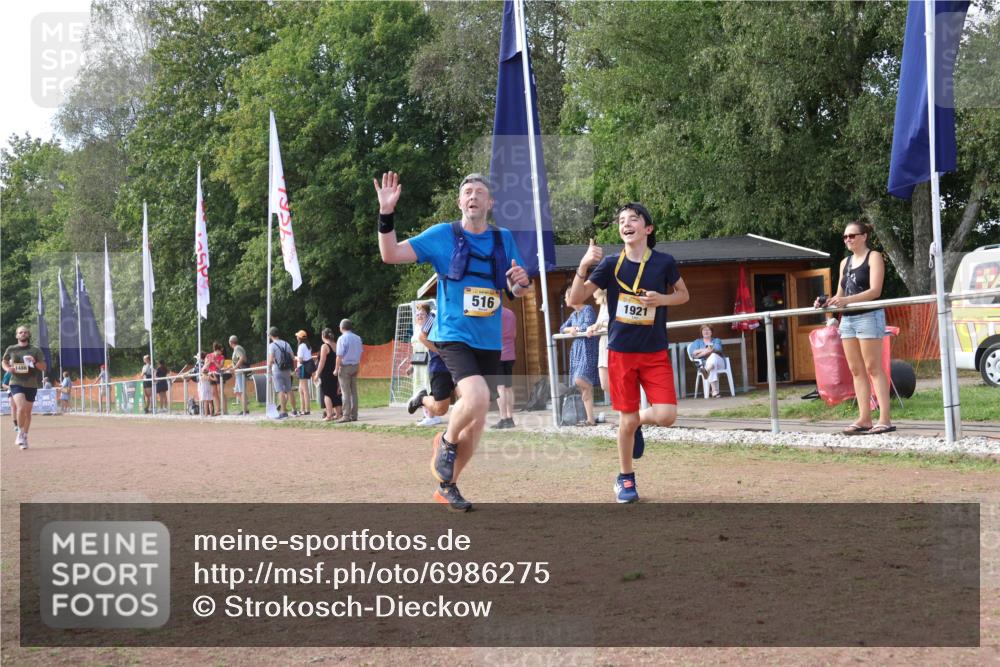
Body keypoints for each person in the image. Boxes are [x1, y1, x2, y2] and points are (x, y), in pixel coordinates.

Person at [376, 171, 531, 511]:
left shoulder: (503, 239)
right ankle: (446, 441)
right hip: (452, 336)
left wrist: (521, 283)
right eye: (467, 192)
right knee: (475, 398)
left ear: (490, 203)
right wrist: (386, 213)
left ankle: (447, 485)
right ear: (460, 202)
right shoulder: (443, 235)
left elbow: (513, 290)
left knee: (475, 424)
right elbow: (390, 254)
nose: (473, 196)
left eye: (480, 192)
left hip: (488, 341)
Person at [569, 203, 690, 503]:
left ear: (647, 229)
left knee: (667, 415)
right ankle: (625, 478)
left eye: (633, 219)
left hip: (655, 351)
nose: (626, 224)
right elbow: (575, 299)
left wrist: (661, 299)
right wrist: (583, 265)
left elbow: (684, 295)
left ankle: (637, 423)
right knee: (625, 421)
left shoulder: (664, 262)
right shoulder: (610, 264)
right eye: (621, 220)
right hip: (621, 353)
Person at [815, 220, 894, 436]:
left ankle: (884, 418)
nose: (848, 239)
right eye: (845, 237)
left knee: (873, 367)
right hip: (848, 319)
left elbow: (875, 291)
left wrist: (847, 301)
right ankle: (864, 418)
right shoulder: (845, 262)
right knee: (856, 370)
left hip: (869, 316)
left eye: (852, 235)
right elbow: (840, 295)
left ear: (864, 236)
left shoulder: (874, 257)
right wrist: (827, 302)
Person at [407, 304, 456, 427]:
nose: (419, 316)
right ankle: (428, 414)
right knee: (427, 391)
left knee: (431, 391)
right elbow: (417, 348)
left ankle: (431, 415)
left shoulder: (432, 322)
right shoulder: (420, 328)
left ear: (426, 315)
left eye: (422, 314)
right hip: (426, 364)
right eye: (417, 314)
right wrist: (412, 365)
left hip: (434, 362)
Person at [2, 325, 47, 450]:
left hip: (31, 384)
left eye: (25, 332)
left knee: (27, 412)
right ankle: (20, 433)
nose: (23, 334)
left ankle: (25, 436)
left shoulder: (35, 350)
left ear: (28, 335)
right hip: (16, 382)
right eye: (20, 332)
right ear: (17, 335)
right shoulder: (11, 349)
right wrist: (8, 369)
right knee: (20, 408)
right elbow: (4, 361)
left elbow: (43, 367)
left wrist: (34, 361)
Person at [561, 289, 600, 426]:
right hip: (577, 350)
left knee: (580, 380)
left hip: (587, 348)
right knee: (583, 386)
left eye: (566, 297)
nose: (565, 299)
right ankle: (591, 419)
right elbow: (562, 328)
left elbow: (588, 325)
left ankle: (590, 389)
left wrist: (575, 329)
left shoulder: (587, 309)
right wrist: (570, 329)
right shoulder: (573, 314)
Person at [492, 305, 517, 429]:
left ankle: (503, 418)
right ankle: (510, 418)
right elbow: (514, 334)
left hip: (497, 354)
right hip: (510, 354)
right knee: (508, 387)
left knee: (500, 388)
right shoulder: (510, 313)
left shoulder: (492, 313)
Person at [586, 288, 611, 410]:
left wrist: (599, 325)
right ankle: (627, 411)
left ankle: (628, 413)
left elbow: (616, 323)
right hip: (603, 345)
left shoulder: (612, 301)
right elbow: (600, 324)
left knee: (617, 382)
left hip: (612, 343)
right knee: (605, 384)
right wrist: (591, 327)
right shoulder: (603, 305)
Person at [334, 318, 362, 423]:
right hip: (355, 365)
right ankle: (354, 415)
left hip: (345, 367)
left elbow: (339, 356)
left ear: (342, 327)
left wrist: (336, 369)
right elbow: (360, 352)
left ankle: (346, 415)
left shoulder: (342, 339)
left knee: (345, 392)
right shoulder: (358, 338)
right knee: (354, 392)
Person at [313, 327, 343, 422]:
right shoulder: (336, 345)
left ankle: (329, 415)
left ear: (323, 336)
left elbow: (322, 361)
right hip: (335, 372)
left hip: (326, 373)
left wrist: (317, 373)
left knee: (327, 394)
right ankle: (338, 414)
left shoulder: (324, 346)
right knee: (335, 393)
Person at [689, 324, 726, 398]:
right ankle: (714, 391)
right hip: (706, 364)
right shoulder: (697, 342)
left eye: (708, 330)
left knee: (713, 356)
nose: (706, 331)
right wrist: (707, 350)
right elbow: (693, 354)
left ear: (711, 332)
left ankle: (706, 371)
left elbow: (717, 349)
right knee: (711, 365)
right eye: (704, 330)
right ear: (701, 332)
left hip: (720, 363)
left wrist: (700, 353)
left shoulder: (716, 340)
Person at [267, 326, 295, 419]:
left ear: (271, 335)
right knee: (289, 389)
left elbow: (270, 360)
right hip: (287, 369)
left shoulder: (272, 346)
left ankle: (283, 412)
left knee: (280, 391)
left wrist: (269, 370)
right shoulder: (286, 344)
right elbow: (292, 356)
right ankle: (294, 410)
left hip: (277, 370)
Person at [294, 330, 315, 416]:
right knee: (301, 389)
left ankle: (306, 409)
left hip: (303, 368)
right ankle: (302, 409)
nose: (296, 337)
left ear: (300, 338)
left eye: (297, 336)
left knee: (304, 389)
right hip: (305, 368)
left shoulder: (301, 346)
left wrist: (295, 358)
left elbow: (301, 359)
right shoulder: (308, 346)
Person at [229, 335, 249, 415]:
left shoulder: (237, 348)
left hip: (240, 372)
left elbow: (242, 358)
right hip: (238, 372)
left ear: (230, 342)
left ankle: (245, 410)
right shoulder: (236, 348)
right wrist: (229, 367)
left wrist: (235, 368)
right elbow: (236, 361)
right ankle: (245, 408)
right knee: (237, 391)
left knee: (241, 391)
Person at [198, 352, 216, 417]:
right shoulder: (208, 376)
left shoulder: (202, 377)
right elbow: (215, 380)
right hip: (209, 389)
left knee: (206, 403)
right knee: (210, 402)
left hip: (204, 390)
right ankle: (211, 413)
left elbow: (202, 378)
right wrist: (213, 375)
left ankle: (206, 414)